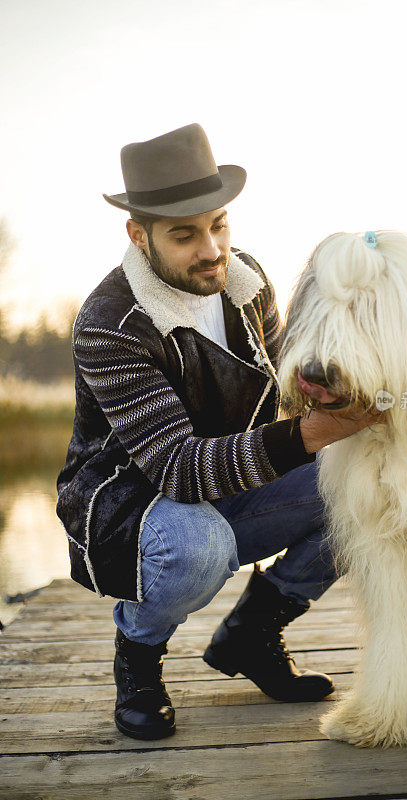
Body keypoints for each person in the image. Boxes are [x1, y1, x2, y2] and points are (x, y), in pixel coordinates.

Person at [56, 123, 386, 741]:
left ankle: (252, 635)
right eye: (185, 235)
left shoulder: (247, 280)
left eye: (219, 224)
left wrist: (354, 377)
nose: (212, 249)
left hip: (233, 480)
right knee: (198, 546)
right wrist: (319, 431)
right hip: (137, 505)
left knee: (365, 477)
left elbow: (289, 387)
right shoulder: (110, 322)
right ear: (139, 234)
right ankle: (139, 657)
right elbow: (178, 469)